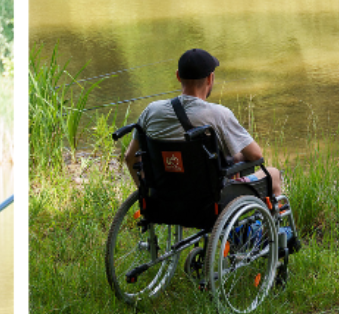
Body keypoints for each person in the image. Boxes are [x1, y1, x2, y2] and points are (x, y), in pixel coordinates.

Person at [123, 48, 300, 254]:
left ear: (178, 76)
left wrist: (148, 193)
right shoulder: (217, 114)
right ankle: (271, 238)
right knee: (274, 175)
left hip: (162, 202)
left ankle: (242, 234)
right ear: (210, 78)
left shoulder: (151, 111)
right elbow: (255, 155)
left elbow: (129, 157)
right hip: (207, 204)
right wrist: (236, 157)